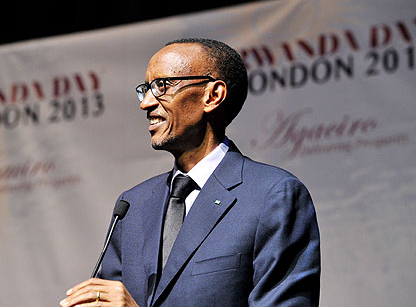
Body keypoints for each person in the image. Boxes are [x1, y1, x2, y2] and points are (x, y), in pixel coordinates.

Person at [60, 38, 320, 307]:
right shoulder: (132, 206)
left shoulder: (272, 196)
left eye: (161, 86)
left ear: (213, 95)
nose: (146, 103)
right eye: (145, 89)